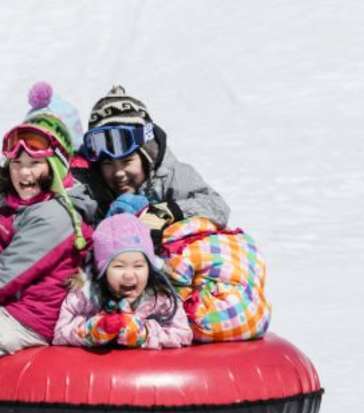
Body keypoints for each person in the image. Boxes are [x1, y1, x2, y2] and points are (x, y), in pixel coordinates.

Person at [0, 82, 94, 356]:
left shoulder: (55, 215)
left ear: (54, 167)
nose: (23, 174)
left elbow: (7, 276)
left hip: (27, 320)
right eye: (16, 164)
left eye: (34, 164)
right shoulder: (16, 204)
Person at [77, 85, 230, 235]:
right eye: (108, 163)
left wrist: (166, 211)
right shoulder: (89, 186)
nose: (119, 173)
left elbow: (217, 207)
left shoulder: (172, 175)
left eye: (127, 161)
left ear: (147, 157)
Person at [53, 213, 192, 349]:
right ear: (102, 270)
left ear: (150, 267)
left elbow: (183, 334)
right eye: (119, 266)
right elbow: (60, 334)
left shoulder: (160, 298)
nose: (129, 275)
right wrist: (93, 329)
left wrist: (142, 333)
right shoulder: (86, 294)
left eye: (138, 266)